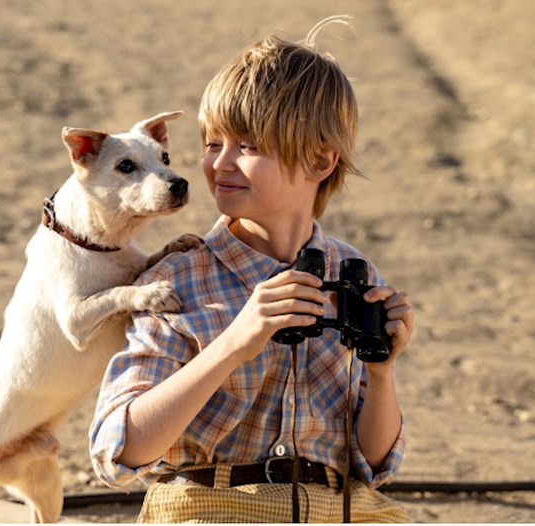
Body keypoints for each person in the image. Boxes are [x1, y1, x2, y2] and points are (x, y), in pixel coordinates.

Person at [89, 17, 414, 523]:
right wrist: (235, 341)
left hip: (339, 509)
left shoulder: (354, 275)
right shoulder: (176, 279)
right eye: (212, 143)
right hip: (211, 507)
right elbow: (120, 448)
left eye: (248, 146)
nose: (220, 164)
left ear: (320, 161)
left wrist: (382, 369)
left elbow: (373, 463)